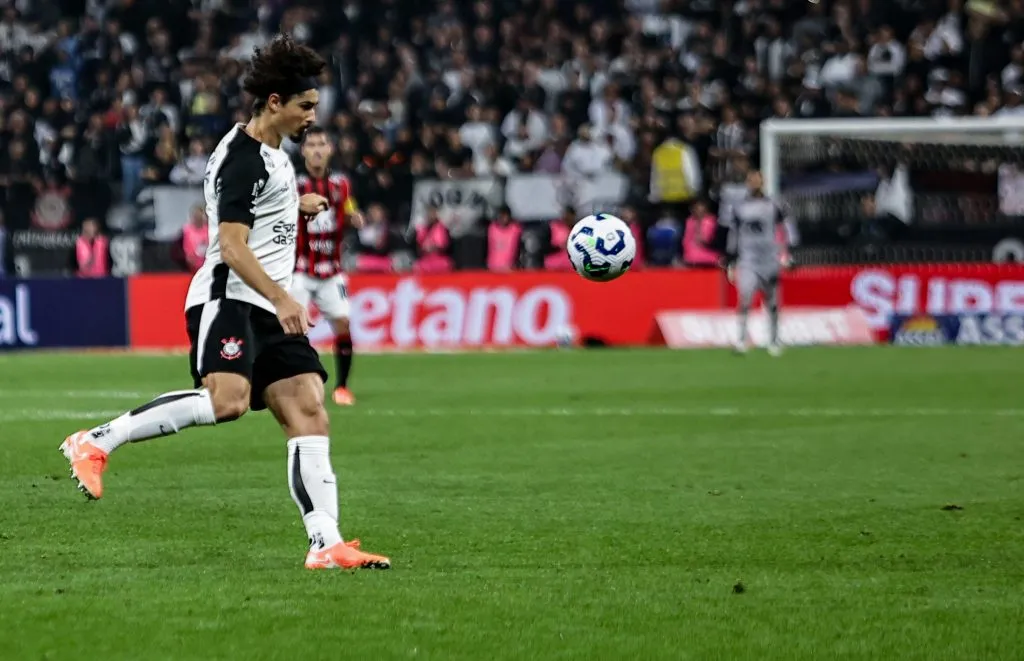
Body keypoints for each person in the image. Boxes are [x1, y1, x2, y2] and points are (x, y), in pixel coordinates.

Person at [58, 36, 391, 571]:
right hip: (230, 296)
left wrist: (294, 206)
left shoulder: (270, 153)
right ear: (275, 102)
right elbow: (232, 247)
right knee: (226, 401)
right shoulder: (242, 160)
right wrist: (283, 297)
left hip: (265, 302)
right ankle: (96, 440)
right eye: (305, 106)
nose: (312, 117)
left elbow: (256, 214)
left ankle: (325, 543)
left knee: (309, 408)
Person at [291, 127, 364, 406]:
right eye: (311, 145)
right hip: (300, 270)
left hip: (332, 270)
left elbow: (348, 209)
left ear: (330, 149)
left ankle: (342, 387)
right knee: (292, 331)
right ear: (303, 151)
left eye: (322, 144)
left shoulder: (341, 184)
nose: (317, 150)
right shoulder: (294, 184)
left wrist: (354, 217)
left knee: (343, 323)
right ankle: (290, 385)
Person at [721, 170, 796, 356]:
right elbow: (734, 232)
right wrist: (731, 257)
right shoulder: (740, 206)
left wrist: (789, 251)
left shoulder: (773, 204)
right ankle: (741, 340)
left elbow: (786, 226)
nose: (754, 183)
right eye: (751, 180)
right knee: (745, 297)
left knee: (772, 301)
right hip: (748, 259)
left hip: (769, 258)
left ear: (763, 182)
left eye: (757, 180)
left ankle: (774, 339)